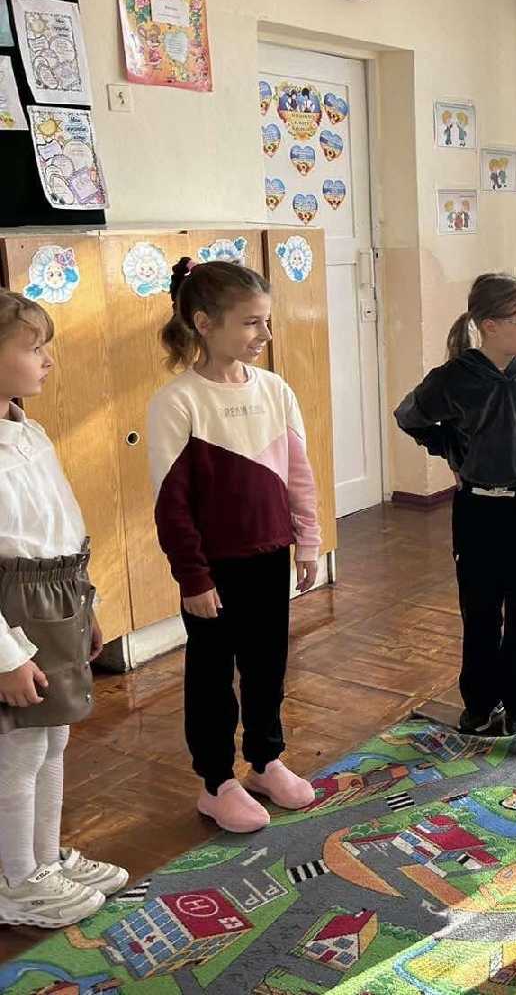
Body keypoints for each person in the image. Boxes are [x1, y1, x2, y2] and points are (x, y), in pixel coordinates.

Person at [148, 259, 322, 834]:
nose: (264, 334)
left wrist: (308, 542)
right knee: (211, 674)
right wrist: (193, 577)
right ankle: (216, 781)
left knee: (268, 665)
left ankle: (266, 761)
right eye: (251, 323)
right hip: (213, 571)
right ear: (204, 323)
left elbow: (299, 475)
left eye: (266, 321)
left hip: (270, 556)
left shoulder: (275, 390)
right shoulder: (178, 401)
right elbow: (171, 505)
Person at [395, 274, 516, 740]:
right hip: (476, 511)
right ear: (491, 326)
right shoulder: (454, 379)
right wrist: (451, 452)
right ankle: (480, 703)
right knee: (479, 611)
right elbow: (411, 417)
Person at [0, 291, 129, 927]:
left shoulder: (29, 430)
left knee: (54, 739)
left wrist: (88, 602)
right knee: (18, 752)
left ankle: (44, 860)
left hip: (57, 598)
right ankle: (14, 880)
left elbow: (62, 523)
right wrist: (6, 657)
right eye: (34, 347)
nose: (47, 359)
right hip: (13, 614)